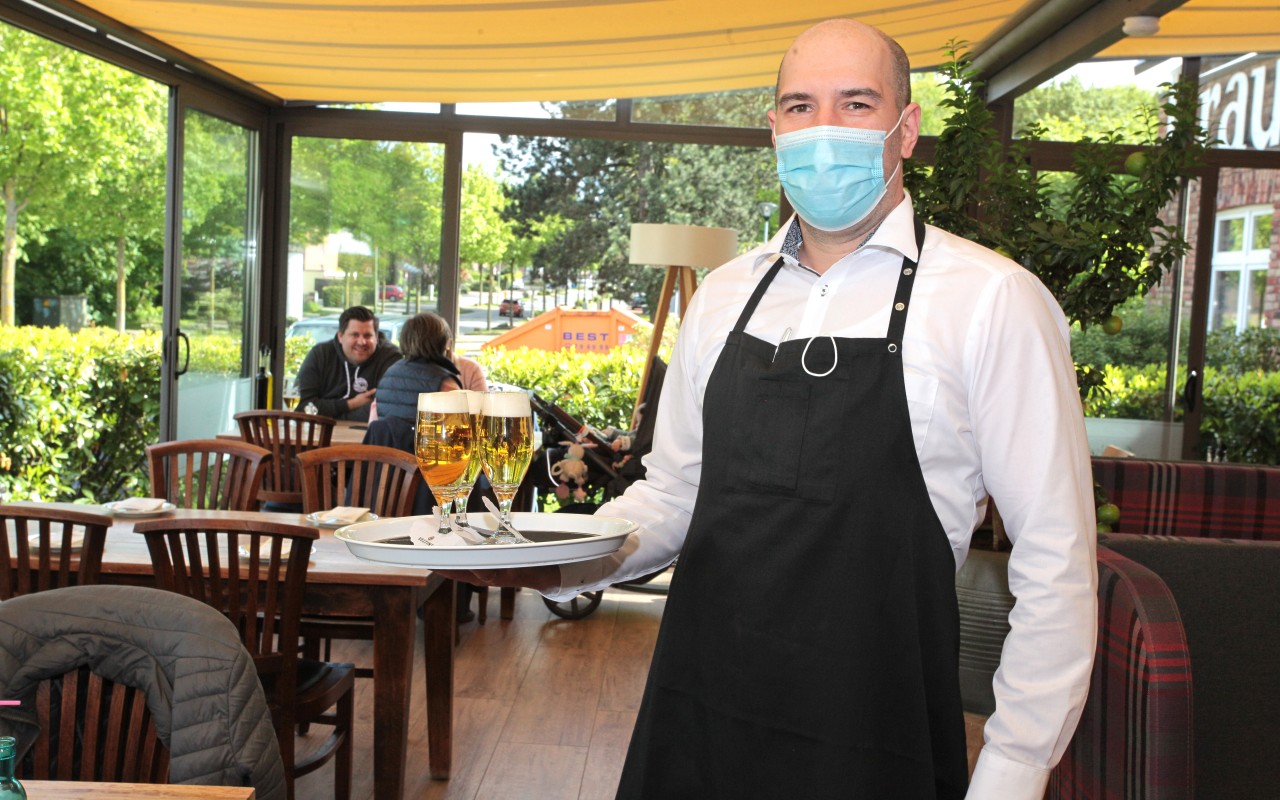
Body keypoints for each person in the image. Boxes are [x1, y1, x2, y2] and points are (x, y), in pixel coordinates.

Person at [442, 18, 1097, 800]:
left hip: (874, 740)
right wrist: (555, 558)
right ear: (774, 129)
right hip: (697, 725)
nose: (823, 131)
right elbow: (676, 493)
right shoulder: (722, 298)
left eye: (856, 104)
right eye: (799, 106)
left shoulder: (994, 302)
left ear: (906, 128)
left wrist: (1013, 773)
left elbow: (1057, 565)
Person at [295, 306, 401, 422]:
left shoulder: (390, 358)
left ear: (376, 337)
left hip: (369, 437)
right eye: (355, 335)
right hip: (319, 436)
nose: (361, 342)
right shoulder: (320, 355)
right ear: (340, 336)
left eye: (367, 336)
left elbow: (384, 410)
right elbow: (303, 406)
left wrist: (329, 417)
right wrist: (351, 404)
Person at [369, 311, 461, 422]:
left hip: (387, 440)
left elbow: (374, 427)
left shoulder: (388, 376)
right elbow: (459, 433)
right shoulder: (446, 384)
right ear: (445, 344)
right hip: (425, 440)